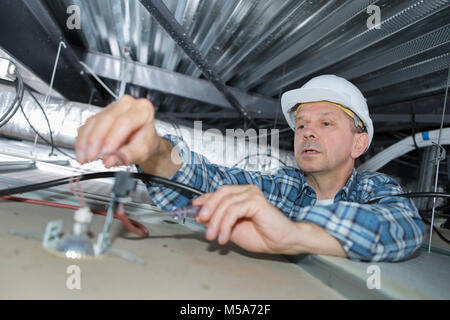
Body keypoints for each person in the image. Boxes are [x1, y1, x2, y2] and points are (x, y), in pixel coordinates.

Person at [75, 74, 425, 262]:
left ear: (358, 143)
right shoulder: (285, 187)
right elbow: (210, 180)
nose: (307, 132)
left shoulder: (373, 190)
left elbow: (403, 228)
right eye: (301, 124)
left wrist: (292, 233)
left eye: (326, 123)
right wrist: (153, 151)